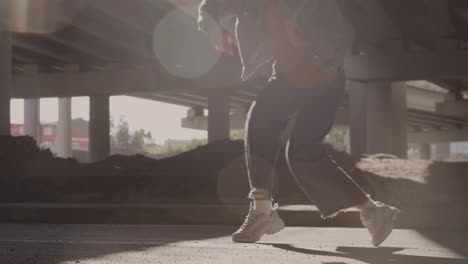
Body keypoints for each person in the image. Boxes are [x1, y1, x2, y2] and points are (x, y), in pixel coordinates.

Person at [197, 0, 399, 247]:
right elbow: (210, 6)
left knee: (302, 154)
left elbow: (345, 30)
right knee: (259, 124)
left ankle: (373, 210)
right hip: (286, 77)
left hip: (324, 79)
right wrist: (212, 26)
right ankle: (262, 212)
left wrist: (314, 49)